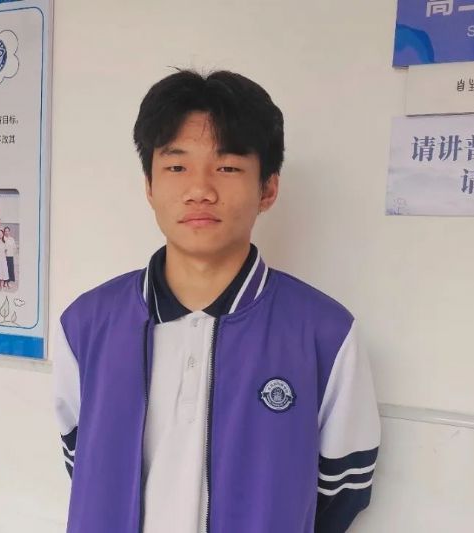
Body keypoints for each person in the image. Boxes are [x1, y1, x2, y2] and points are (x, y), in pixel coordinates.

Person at [52, 70, 380, 533]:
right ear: (149, 185)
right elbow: (82, 461)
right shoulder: (86, 325)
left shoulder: (325, 333)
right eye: (176, 167)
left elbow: (343, 490)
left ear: (268, 188)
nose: (200, 190)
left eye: (227, 167)